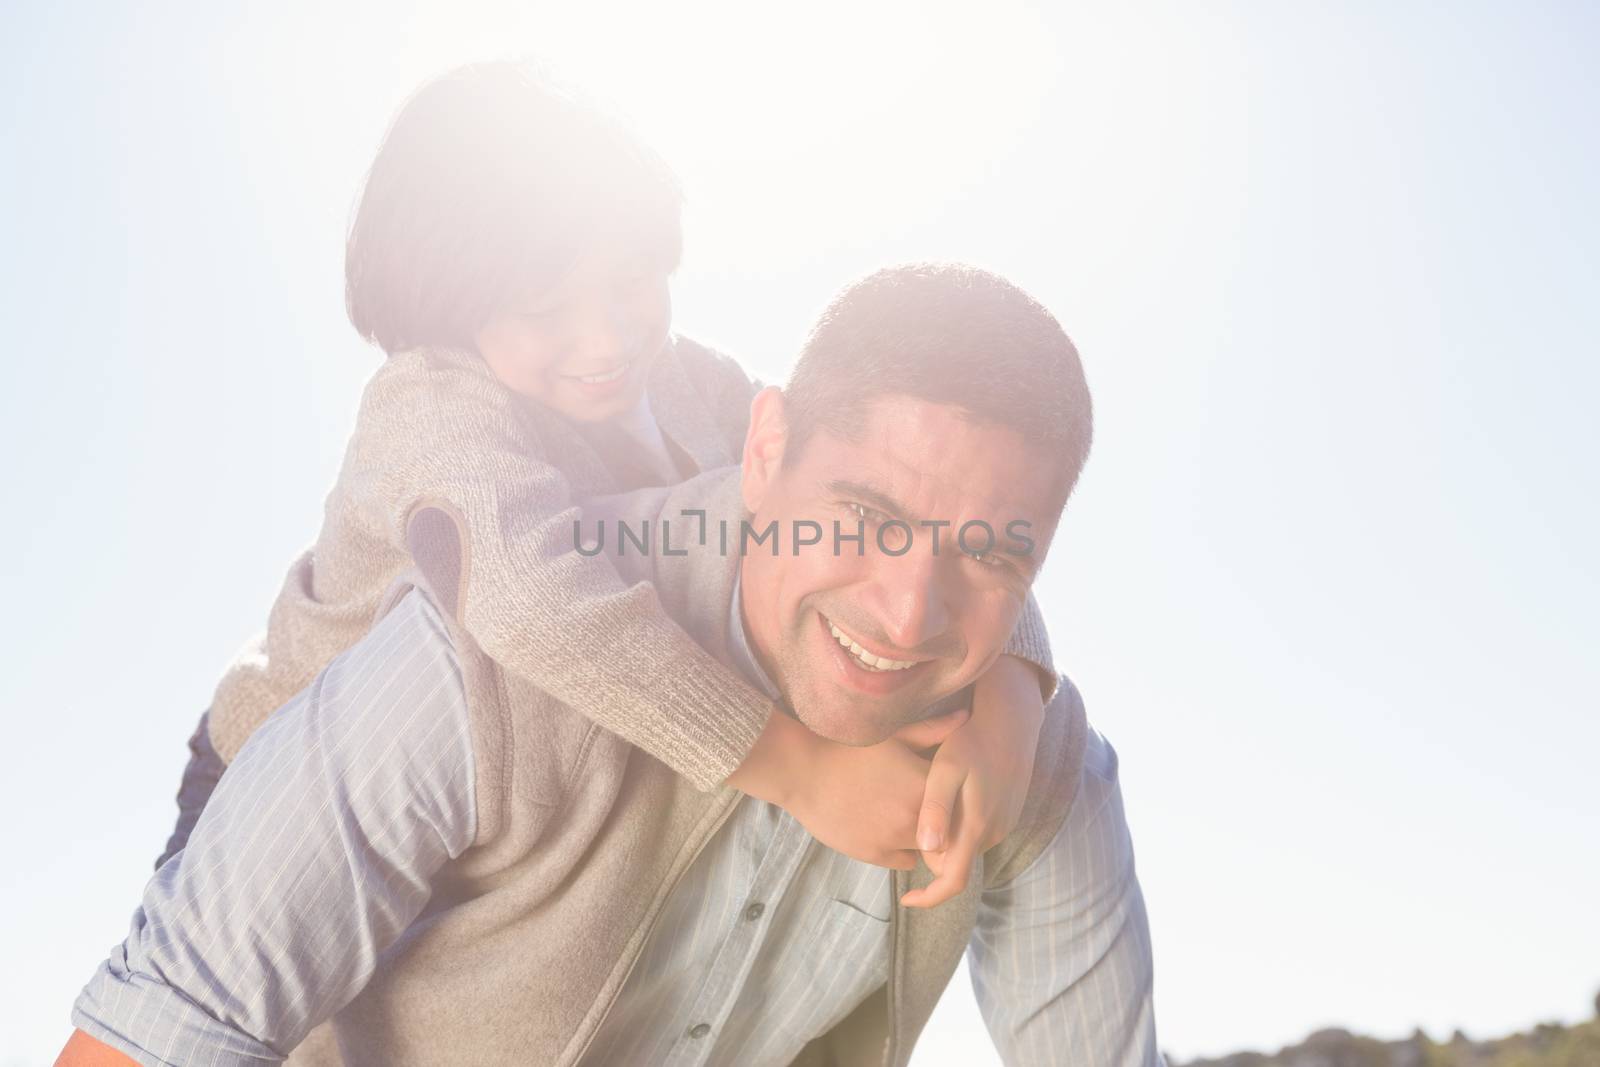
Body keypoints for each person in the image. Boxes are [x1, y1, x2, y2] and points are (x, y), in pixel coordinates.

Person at [59, 264, 1161, 1067]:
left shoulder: (1031, 764)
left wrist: (1017, 678)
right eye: (864, 517)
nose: (909, 611)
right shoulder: (485, 652)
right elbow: (154, 1037)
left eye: (989, 553)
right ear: (766, 452)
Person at [153, 60, 1061, 899]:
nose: (609, 340)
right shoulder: (430, 407)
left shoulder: (697, 386)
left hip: (499, 805)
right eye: (546, 311)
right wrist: (803, 772)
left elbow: (901, 502)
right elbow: (528, 599)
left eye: (631, 282)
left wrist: (1013, 694)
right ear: (447, 308)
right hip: (275, 770)